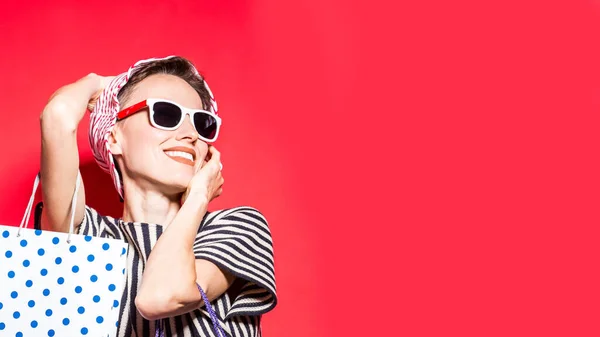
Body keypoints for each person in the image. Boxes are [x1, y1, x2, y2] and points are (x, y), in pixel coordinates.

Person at [39, 56, 277, 337]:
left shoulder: (236, 227)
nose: (190, 134)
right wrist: (100, 83)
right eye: (166, 114)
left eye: (202, 123)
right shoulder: (87, 234)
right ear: (113, 138)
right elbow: (57, 116)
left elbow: (161, 296)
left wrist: (199, 197)